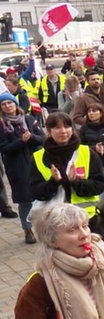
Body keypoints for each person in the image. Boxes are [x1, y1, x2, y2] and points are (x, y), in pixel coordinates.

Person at [32, 112, 104, 236]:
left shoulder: (87, 153)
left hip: (87, 221)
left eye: (67, 126)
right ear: (49, 131)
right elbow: (35, 192)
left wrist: (75, 182)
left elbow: (99, 186)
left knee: (96, 254)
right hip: (56, 223)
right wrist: (53, 182)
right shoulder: (38, 157)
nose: (63, 131)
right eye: (57, 127)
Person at [0, 91, 45, 243]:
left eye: (10, 103)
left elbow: (42, 138)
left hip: (36, 163)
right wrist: (22, 141)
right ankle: (27, 230)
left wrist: (31, 137)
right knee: (25, 199)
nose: (8, 106)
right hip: (17, 167)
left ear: (15, 104)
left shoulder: (28, 119)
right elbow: (4, 148)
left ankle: (45, 228)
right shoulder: (2, 125)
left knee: (42, 196)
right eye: (4, 104)